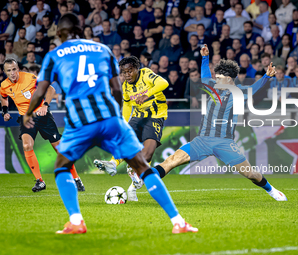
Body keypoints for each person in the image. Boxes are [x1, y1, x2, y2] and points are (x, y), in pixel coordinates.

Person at [23, 13, 197, 235]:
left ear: (59, 33)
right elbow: (117, 90)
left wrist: (29, 113)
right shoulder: (102, 50)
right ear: (83, 27)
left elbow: (40, 90)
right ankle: (178, 221)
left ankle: (76, 221)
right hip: (109, 118)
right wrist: (116, 120)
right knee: (142, 166)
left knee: (61, 167)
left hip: (81, 120)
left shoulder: (54, 55)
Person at [154, 44, 287, 202]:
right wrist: (205, 58)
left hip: (224, 143)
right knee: (171, 160)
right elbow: (204, 76)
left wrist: (267, 77)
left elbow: (254, 88)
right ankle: (142, 179)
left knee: (251, 174)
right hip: (202, 140)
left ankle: (271, 190)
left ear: (229, 79)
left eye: (218, 77)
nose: (215, 79)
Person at [1, 58, 85, 192]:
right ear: (5, 72)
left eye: (14, 69)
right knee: (27, 145)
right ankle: (40, 181)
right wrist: (5, 111)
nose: (12, 73)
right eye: (9, 70)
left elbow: (50, 89)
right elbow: (3, 96)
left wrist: (45, 105)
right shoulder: (4, 85)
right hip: (26, 117)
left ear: (18, 69)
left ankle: (76, 178)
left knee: (59, 149)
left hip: (42, 115)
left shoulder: (30, 78)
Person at [93, 55, 169, 202]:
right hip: (138, 117)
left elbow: (163, 83)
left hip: (155, 116)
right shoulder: (126, 86)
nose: (127, 75)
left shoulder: (146, 74)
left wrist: (147, 94)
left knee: (146, 155)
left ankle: (134, 179)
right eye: (124, 72)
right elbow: (127, 105)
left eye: (130, 71)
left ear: (137, 68)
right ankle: (113, 164)